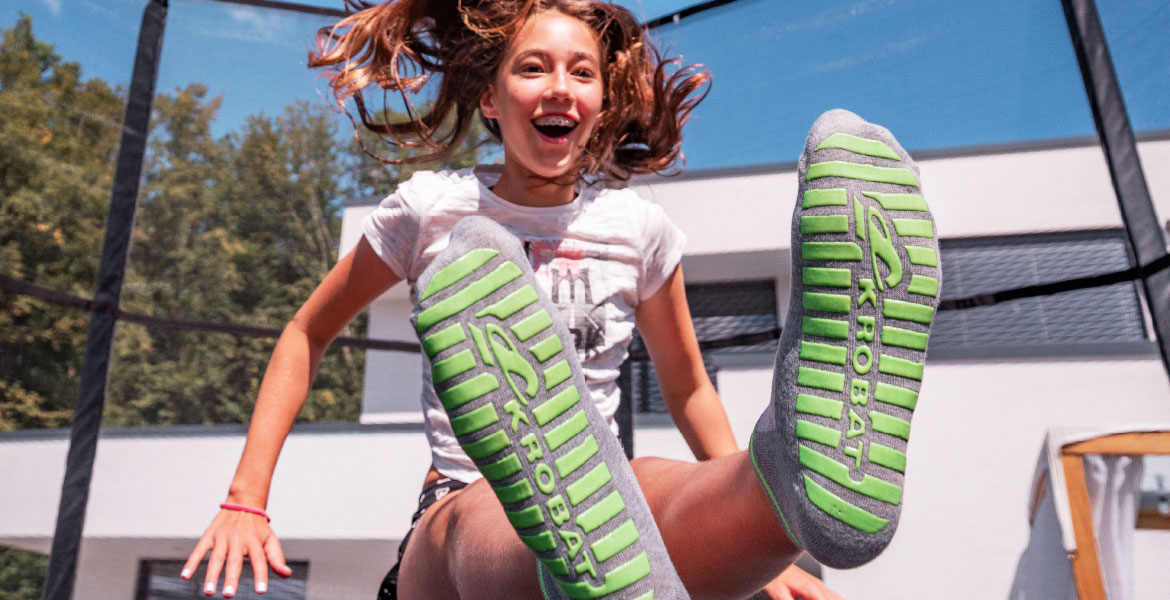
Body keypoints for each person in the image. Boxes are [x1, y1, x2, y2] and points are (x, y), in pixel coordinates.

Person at [183, 1, 937, 598]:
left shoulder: (637, 230)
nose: (559, 87)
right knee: (480, 524)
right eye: (533, 67)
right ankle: (612, 551)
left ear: (601, 102)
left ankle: (780, 491)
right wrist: (246, 497)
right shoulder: (432, 210)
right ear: (490, 98)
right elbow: (306, 332)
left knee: (650, 491)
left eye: (581, 72)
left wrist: (771, 555)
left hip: (604, 492)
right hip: (460, 492)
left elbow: (689, 388)